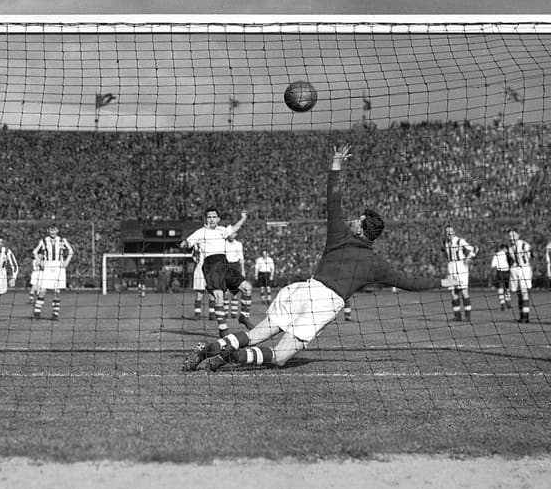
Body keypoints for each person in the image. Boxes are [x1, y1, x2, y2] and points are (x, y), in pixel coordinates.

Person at [184, 144, 449, 372]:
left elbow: (333, 200)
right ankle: (229, 357)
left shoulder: (339, 233)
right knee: (279, 357)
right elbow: (408, 282)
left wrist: (335, 166)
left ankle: (209, 348)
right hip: (323, 305)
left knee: (254, 335)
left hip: (302, 290)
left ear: (360, 228)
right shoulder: (375, 264)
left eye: (359, 219)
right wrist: (443, 283)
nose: (354, 219)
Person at [181, 206, 248, 336]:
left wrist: (243, 218)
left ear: (218, 219)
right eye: (209, 217)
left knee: (247, 288)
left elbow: (234, 229)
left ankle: (244, 316)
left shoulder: (222, 230)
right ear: (205, 219)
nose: (211, 219)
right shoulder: (200, 232)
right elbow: (188, 242)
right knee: (217, 296)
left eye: (214, 217)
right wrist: (184, 243)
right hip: (210, 266)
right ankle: (222, 329)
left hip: (224, 264)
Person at [32, 224, 74, 320]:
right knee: (42, 290)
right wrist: (39, 262)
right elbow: (35, 252)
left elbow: (71, 251)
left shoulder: (63, 240)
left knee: (57, 291)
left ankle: (55, 314)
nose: (53, 232)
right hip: (48, 266)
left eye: (54, 230)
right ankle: (37, 313)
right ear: (48, 230)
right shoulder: (43, 241)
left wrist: (66, 262)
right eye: (51, 230)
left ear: (57, 230)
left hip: (59, 267)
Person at [442, 225, 477, 322]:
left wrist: (469, 257)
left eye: (451, 231)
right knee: (453, 292)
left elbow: (474, 248)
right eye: (447, 232)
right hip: (451, 267)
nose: (449, 234)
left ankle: (467, 316)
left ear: (454, 232)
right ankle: (457, 316)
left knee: (464, 291)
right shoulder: (445, 242)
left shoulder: (459, 241)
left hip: (461, 267)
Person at [221, 233, 253, 331]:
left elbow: (241, 258)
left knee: (245, 288)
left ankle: (243, 316)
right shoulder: (222, 243)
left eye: (234, 233)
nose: (232, 235)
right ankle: (224, 317)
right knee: (224, 293)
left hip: (235, 268)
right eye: (230, 233)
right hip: (223, 267)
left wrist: (242, 270)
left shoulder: (239, 244)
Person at [505, 228, 533, 324]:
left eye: (513, 235)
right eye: (509, 236)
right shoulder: (509, 248)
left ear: (517, 235)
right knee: (519, 293)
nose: (511, 238)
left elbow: (531, 255)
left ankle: (526, 316)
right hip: (514, 270)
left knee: (524, 292)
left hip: (523, 269)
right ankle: (522, 316)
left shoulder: (524, 245)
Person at [488, 243, 511, 312]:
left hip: (500, 272)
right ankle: (508, 302)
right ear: (504, 248)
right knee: (507, 288)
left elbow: (493, 265)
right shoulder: (508, 255)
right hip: (507, 272)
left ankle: (502, 303)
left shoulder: (497, 254)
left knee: (500, 288)